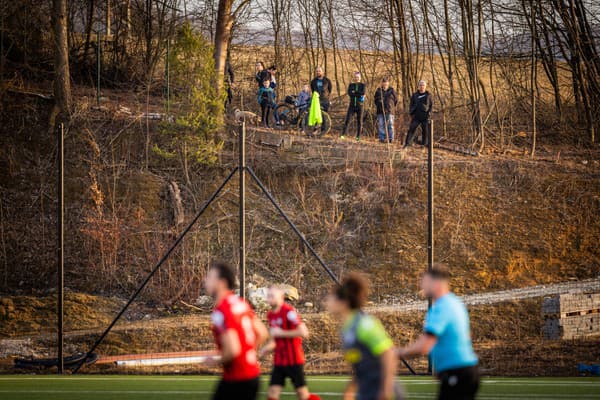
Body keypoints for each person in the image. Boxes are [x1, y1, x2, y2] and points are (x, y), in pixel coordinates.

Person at [397, 264, 479, 400]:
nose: (421, 286)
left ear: (435, 283)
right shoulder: (455, 302)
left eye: (424, 282)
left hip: (458, 372)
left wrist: (397, 353)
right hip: (464, 371)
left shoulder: (441, 308)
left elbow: (424, 346)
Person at [325, 273, 401, 400]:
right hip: (366, 390)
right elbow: (362, 365)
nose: (327, 301)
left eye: (331, 298)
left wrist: (385, 390)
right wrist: (350, 389)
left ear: (343, 302)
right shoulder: (346, 328)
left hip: (381, 391)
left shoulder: (364, 324)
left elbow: (388, 354)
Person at [205, 261, 269, 400]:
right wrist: (247, 352)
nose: (206, 281)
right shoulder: (240, 303)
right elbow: (262, 332)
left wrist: (215, 360)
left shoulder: (221, 310)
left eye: (210, 278)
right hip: (252, 375)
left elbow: (233, 350)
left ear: (221, 282)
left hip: (237, 378)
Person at [260, 286, 321, 400]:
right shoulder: (270, 315)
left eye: (273, 296)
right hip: (279, 361)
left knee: (302, 395)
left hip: (293, 360)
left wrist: (281, 332)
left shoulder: (289, 312)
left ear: (281, 297)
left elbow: (304, 332)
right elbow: (275, 339)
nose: (270, 298)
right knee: (273, 392)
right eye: (268, 296)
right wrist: (265, 349)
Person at [404, 80, 433, 148]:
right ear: (418, 86)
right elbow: (411, 104)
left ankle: (424, 144)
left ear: (425, 86)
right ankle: (407, 144)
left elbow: (431, 105)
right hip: (416, 116)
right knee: (411, 129)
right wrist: (411, 112)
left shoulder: (428, 95)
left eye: (423, 85)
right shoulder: (415, 95)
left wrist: (429, 113)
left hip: (425, 115)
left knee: (425, 130)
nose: (422, 87)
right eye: (420, 85)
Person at [341, 71, 366, 141]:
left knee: (359, 121)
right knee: (348, 120)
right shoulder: (351, 85)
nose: (356, 78)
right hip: (352, 105)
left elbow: (363, 92)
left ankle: (358, 136)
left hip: (360, 106)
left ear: (360, 78)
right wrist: (357, 93)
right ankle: (343, 134)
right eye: (355, 77)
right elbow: (349, 93)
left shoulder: (363, 85)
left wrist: (355, 92)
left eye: (358, 77)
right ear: (354, 78)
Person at [374, 78, 398, 143]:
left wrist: (391, 106)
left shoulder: (392, 90)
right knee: (381, 125)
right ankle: (382, 138)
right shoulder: (379, 91)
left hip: (390, 111)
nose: (385, 83)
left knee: (390, 125)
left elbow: (396, 100)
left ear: (388, 83)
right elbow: (375, 100)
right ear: (382, 83)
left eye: (386, 82)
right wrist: (379, 103)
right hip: (380, 111)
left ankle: (391, 138)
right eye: (384, 82)